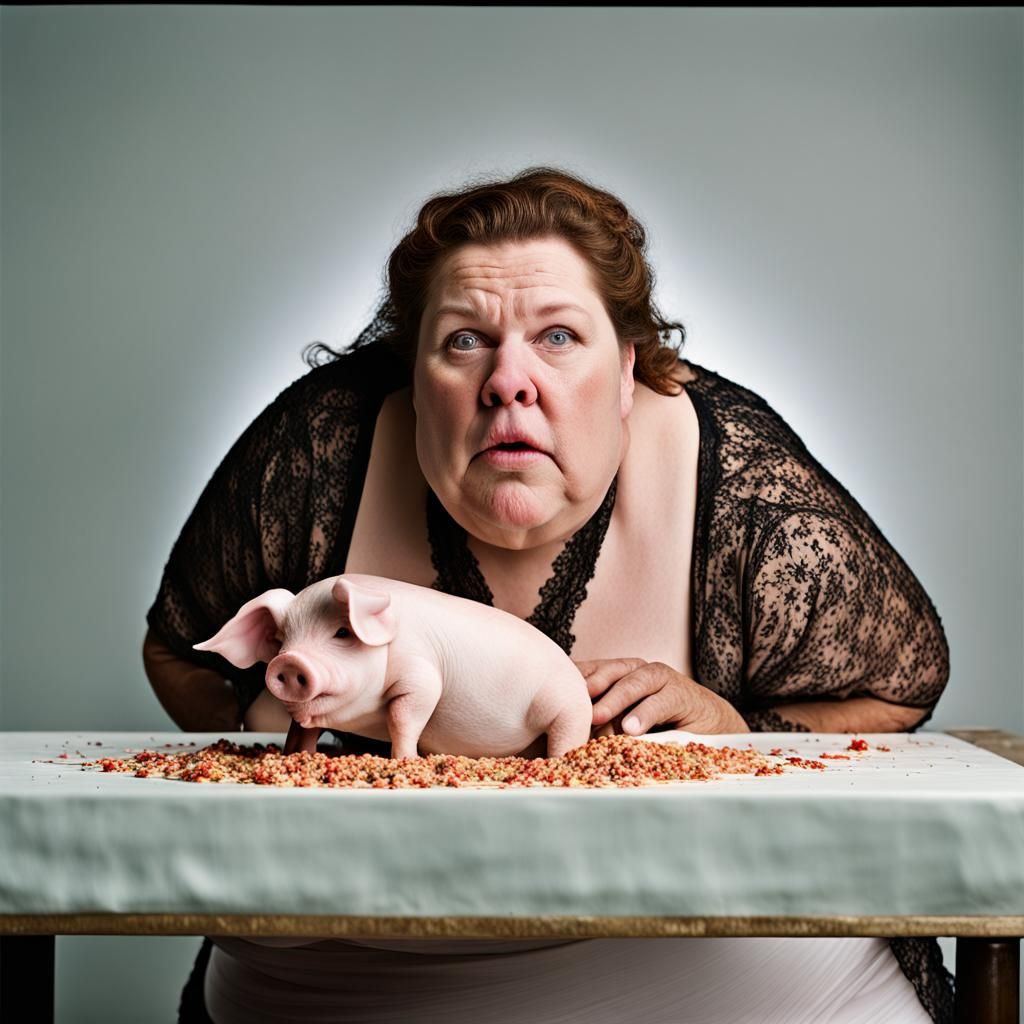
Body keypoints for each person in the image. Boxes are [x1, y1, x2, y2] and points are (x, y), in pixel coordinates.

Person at [143, 166, 953, 1023]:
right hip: (342, 985)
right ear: (410, 377)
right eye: (464, 341)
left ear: (629, 366)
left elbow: (902, 685)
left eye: (559, 337)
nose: (508, 382)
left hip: (698, 984)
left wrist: (736, 730)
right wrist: (286, 762)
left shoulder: (737, 479)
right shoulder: (316, 448)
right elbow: (178, 647)